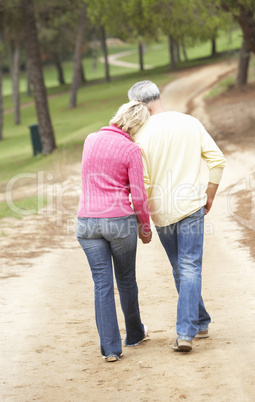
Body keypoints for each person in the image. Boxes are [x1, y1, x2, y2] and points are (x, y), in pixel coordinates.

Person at [128, 81, 226, 352]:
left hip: (161, 212)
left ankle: (186, 332)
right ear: (157, 96)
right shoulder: (189, 123)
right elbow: (217, 160)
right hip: (192, 205)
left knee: (180, 267)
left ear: (138, 104)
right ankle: (200, 321)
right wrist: (210, 193)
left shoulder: (139, 136)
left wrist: (142, 218)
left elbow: (143, 183)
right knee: (189, 266)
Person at [76, 101, 152, 362]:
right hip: (119, 221)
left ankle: (110, 349)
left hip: (86, 221)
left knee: (102, 284)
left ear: (118, 117)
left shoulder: (90, 139)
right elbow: (139, 196)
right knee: (126, 279)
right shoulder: (132, 149)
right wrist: (145, 227)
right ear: (138, 126)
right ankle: (134, 335)